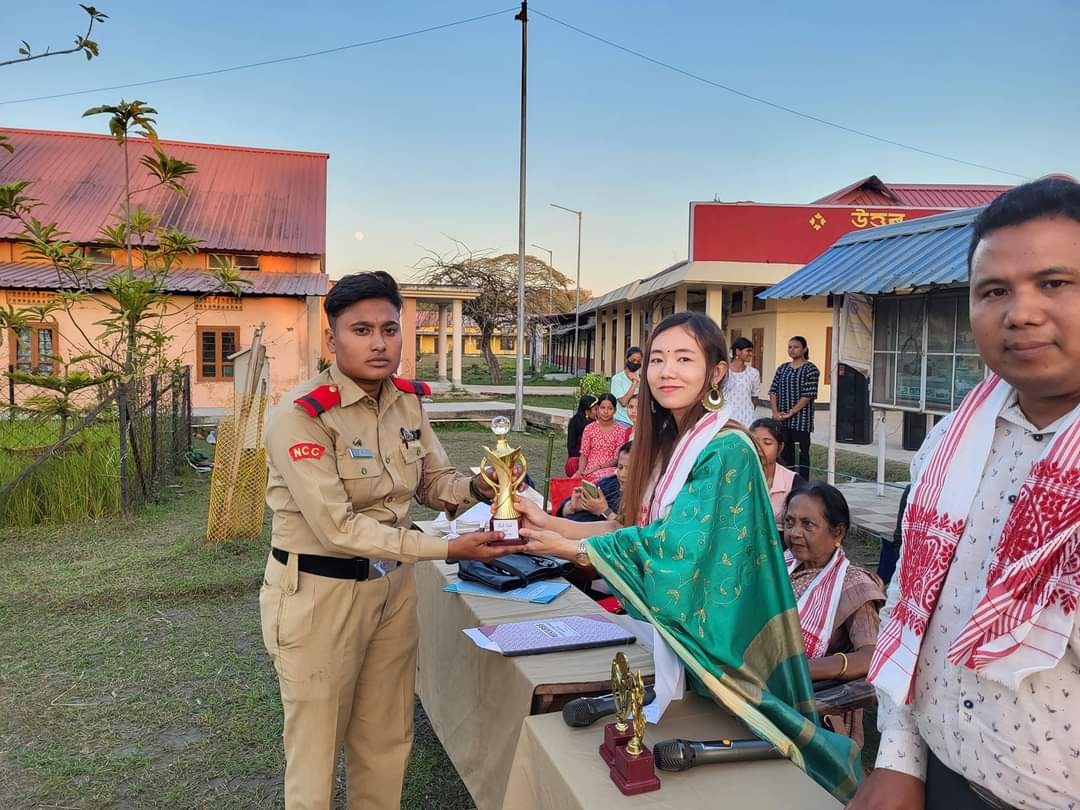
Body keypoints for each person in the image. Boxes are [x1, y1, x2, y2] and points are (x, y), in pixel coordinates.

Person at [516, 312, 862, 803]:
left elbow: (680, 551)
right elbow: (628, 530)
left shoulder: (728, 449)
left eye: (684, 358)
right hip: (692, 637)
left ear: (717, 372)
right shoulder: (671, 444)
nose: (666, 371)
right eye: (657, 359)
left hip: (732, 639)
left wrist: (575, 550)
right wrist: (545, 521)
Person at [851, 178, 1080, 810]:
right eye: (994, 291)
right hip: (943, 779)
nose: (1021, 312)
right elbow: (910, 600)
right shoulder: (954, 441)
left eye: (1055, 283)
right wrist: (900, 757)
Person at [260, 272, 512, 810]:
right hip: (318, 595)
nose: (379, 342)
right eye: (362, 329)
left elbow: (429, 483)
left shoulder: (406, 403)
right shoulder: (302, 415)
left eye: (390, 329)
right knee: (315, 752)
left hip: (392, 592)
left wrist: (478, 487)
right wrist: (447, 549)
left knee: (386, 740)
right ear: (332, 339)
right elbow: (338, 528)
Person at [783, 483, 885, 747]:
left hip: (814, 705)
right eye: (790, 522)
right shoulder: (779, 566)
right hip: (767, 689)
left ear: (837, 532)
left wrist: (799, 669)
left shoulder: (853, 585)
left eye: (808, 525)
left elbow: (871, 656)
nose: (794, 533)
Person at [769, 336, 819, 481]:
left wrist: (791, 412)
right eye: (789, 347)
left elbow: (807, 395)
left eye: (796, 347)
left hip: (801, 420)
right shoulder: (782, 368)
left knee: (802, 453)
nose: (792, 350)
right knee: (785, 453)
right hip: (782, 420)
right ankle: (786, 482)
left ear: (804, 349)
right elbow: (773, 390)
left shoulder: (811, 369)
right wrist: (775, 413)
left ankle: (803, 483)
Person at [558, 441, 631, 523]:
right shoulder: (610, 482)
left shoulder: (644, 500)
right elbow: (562, 511)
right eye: (620, 467)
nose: (622, 474)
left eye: (630, 469)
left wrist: (604, 511)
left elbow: (628, 531)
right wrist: (572, 506)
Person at [749, 417, 801, 531]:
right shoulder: (737, 478)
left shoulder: (793, 482)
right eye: (754, 442)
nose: (759, 448)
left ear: (780, 448)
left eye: (767, 443)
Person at [577, 392, 631, 482]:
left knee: (603, 479)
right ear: (597, 409)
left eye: (610, 408)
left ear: (615, 410)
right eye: (602, 408)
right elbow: (584, 454)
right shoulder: (589, 428)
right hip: (589, 469)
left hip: (609, 470)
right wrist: (581, 471)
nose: (606, 412)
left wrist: (598, 467)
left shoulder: (621, 431)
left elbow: (616, 459)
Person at [724, 336, 761, 426]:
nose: (751, 354)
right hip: (726, 417)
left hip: (747, 418)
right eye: (748, 351)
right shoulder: (724, 371)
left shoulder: (753, 373)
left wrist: (748, 411)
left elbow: (754, 397)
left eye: (752, 351)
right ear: (737, 352)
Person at [609, 345, 642, 427]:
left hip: (638, 423)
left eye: (638, 361)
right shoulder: (617, 379)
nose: (635, 363)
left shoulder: (641, 379)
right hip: (622, 422)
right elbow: (623, 402)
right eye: (633, 360)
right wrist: (634, 383)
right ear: (627, 359)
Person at [564, 394, 597, 476]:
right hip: (578, 457)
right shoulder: (574, 422)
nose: (598, 412)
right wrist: (583, 459)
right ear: (587, 411)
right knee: (574, 465)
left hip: (594, 458)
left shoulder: (598, 422)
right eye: (595, 409)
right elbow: (571, 447)